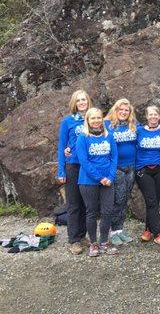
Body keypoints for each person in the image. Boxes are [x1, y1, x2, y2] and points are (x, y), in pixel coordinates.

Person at [76, 108, 119, 257]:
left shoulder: (109, 136)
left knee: (107, 211)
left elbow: (114, 157)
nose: (96, 121)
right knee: (91, 212)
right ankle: (93, 244)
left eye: (98, 118)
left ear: (102, 119)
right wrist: (100, 178)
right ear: (87, 120)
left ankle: (104, 241)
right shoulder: (82, 138)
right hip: (88, 181)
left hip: (108, 180)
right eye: (92, 118)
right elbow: (84, 161)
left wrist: (111, 177)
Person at [57, 89, 92, 255]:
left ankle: (83, 234)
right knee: (73, 204)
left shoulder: (94, 119)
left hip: (89, 167)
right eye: (79, 100)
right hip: (73, 166)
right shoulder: (67, 121)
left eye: (84, 99)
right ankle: (74, 240)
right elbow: (61, 146)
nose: (82, 102)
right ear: (74, 103)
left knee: (87, 203)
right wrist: (61, 170)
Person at [135, 106, 160, 246]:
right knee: (151, 200)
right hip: (143, 170)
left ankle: (148, 229)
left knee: (154, 200)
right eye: (150, 114)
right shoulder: (139, 130)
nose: (153, 117)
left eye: (156, 114)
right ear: (146, 116)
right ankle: (158, 233)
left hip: (159, 169)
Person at [104, 98, 137, 246]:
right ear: (115, 111)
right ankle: (112, 231)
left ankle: (120, 229)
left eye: (126, 110)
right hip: (116, 167)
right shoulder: (107, 125)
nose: (123, 112)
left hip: (131, 166)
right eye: (121, 110)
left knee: (125, 199)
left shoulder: (134, 125)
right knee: (118, 199)